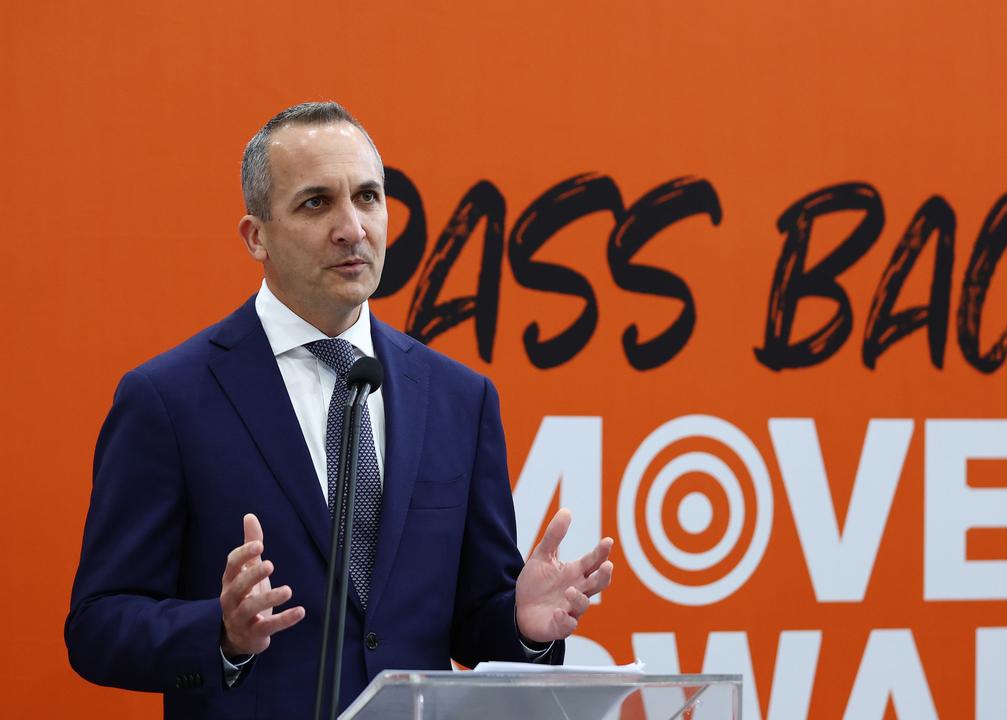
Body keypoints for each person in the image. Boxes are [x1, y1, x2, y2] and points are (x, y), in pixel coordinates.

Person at [65, 101, 613, 719]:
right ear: (256, 237)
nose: (353, 227)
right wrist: (220, 632)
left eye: (369, 197)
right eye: (315, 202)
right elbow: (98, 623)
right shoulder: (168, 399)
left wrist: (521, 623)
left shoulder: (460, 399)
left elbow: (467, 618)